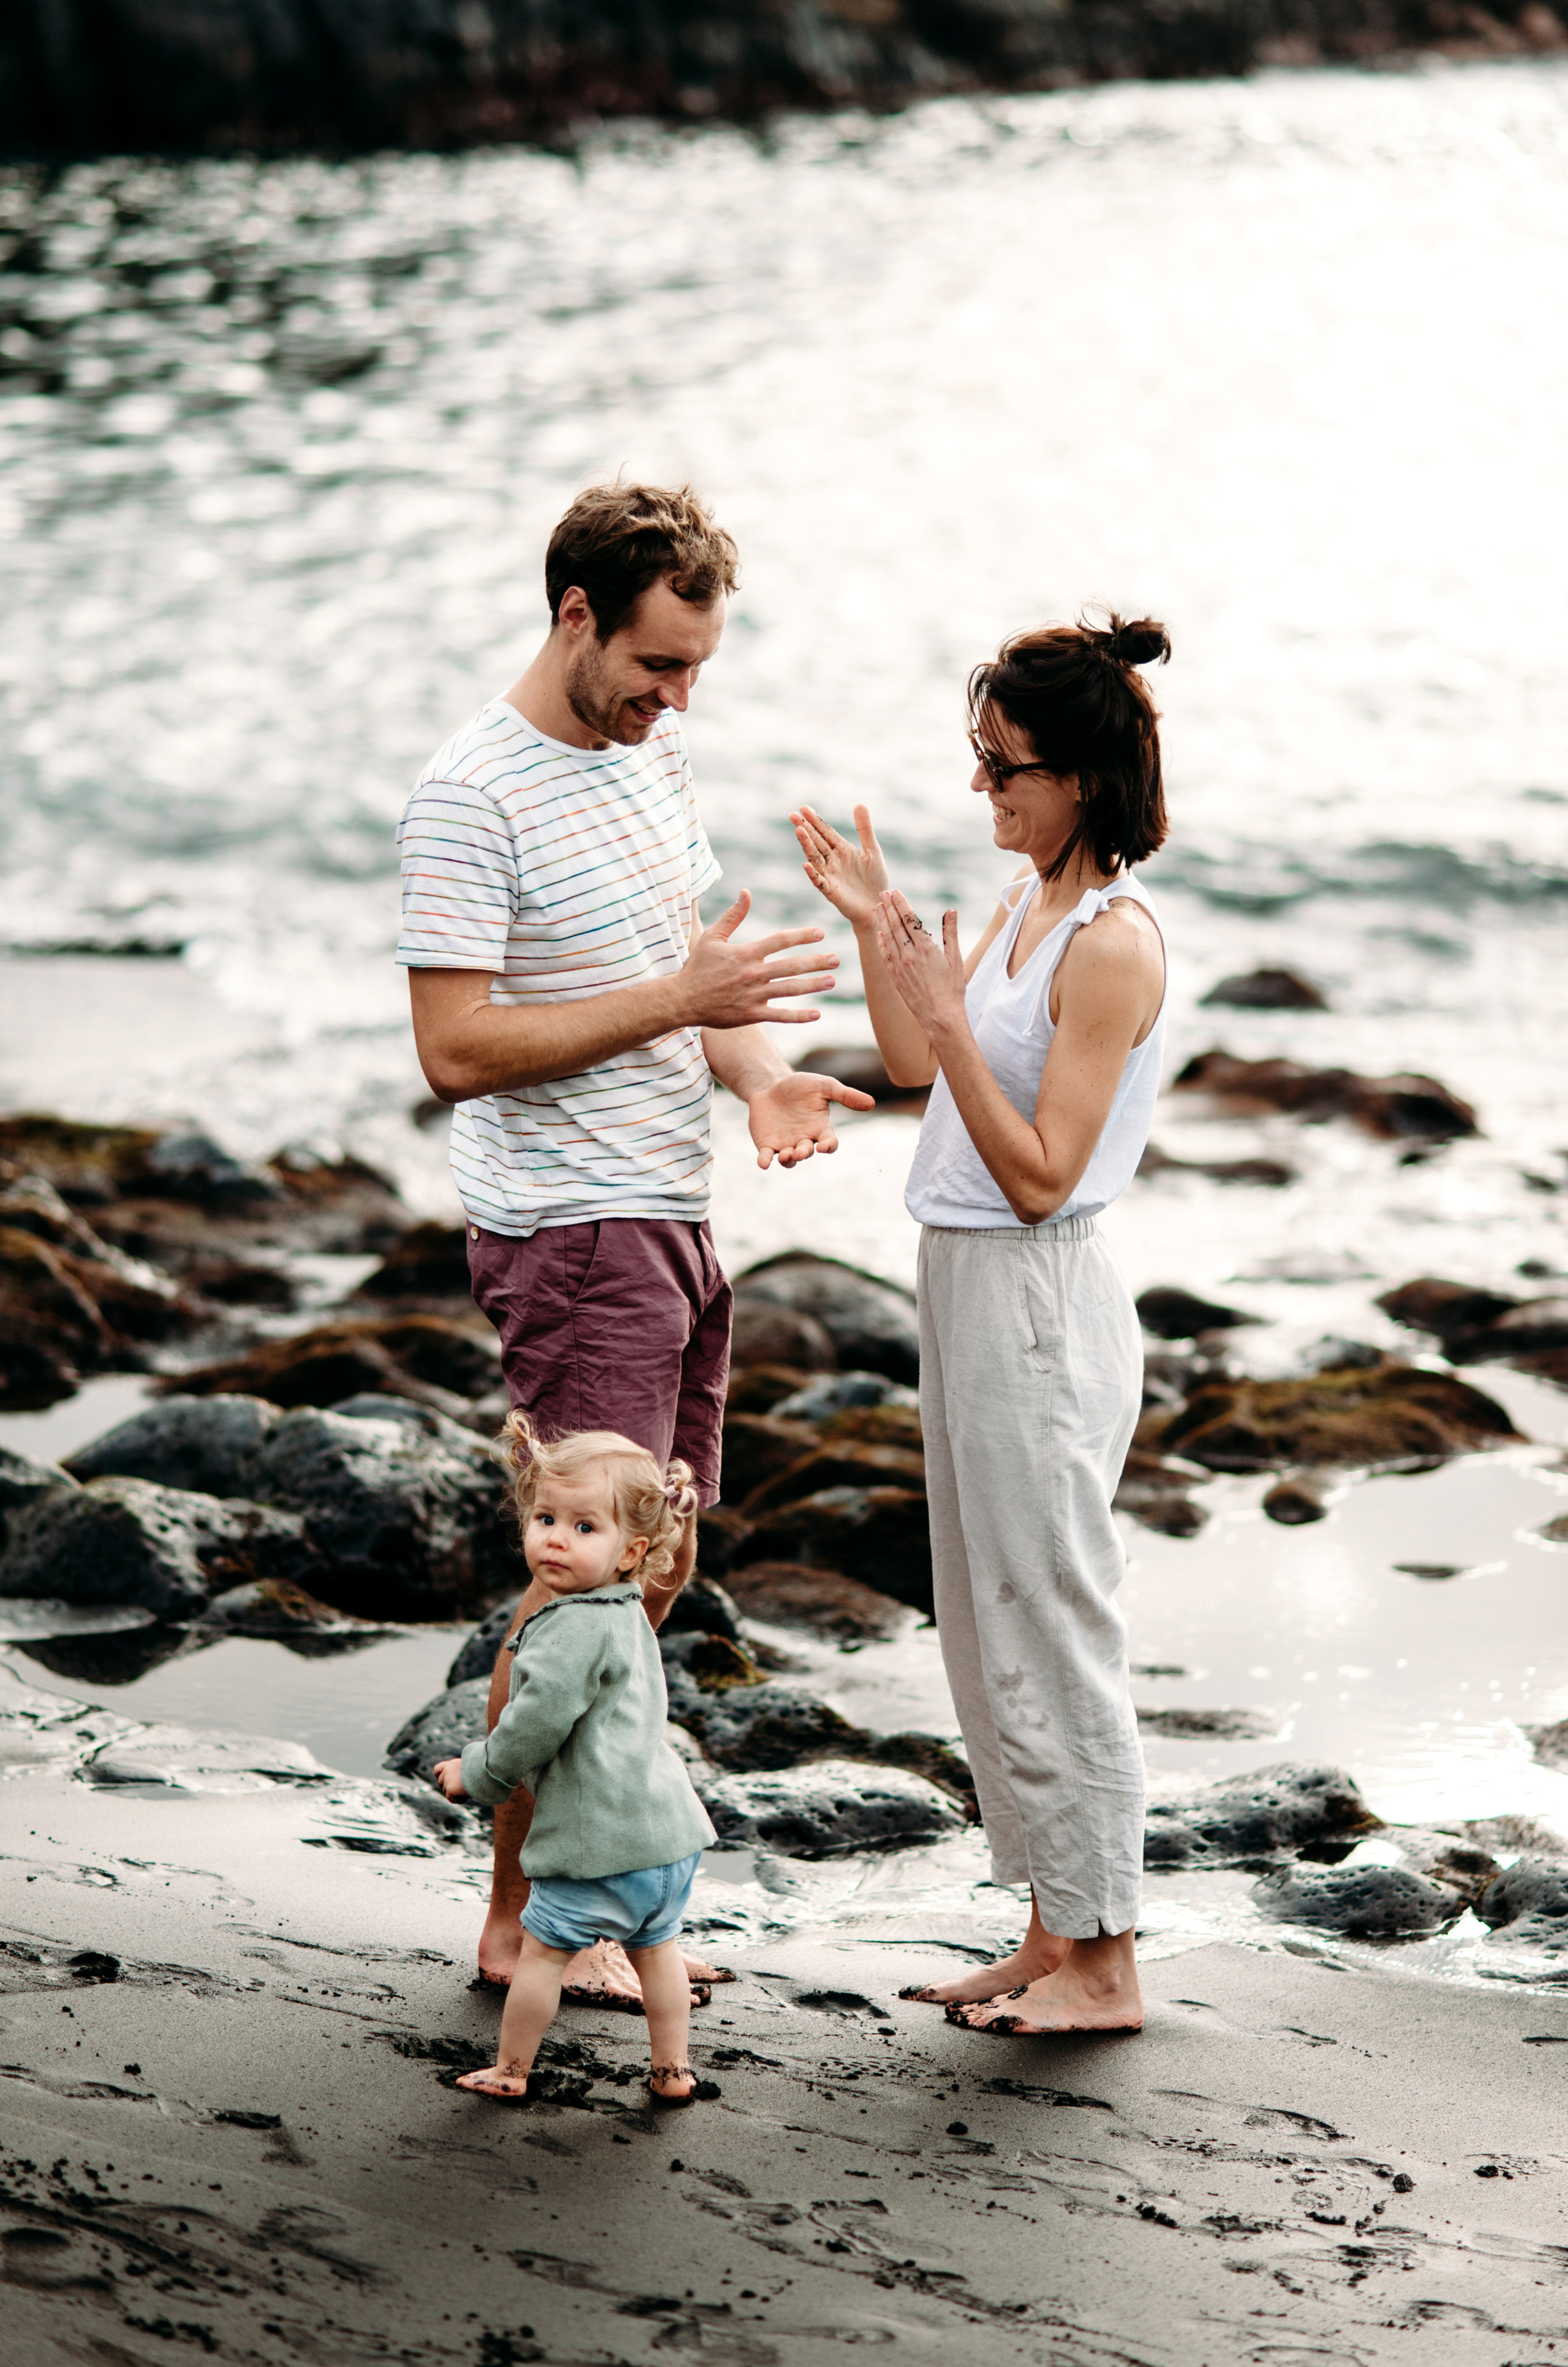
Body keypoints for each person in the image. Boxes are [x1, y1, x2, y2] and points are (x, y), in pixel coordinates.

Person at [399, 480, 873, 2009]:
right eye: (655, 665)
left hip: (665, 1210)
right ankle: (521, 1924)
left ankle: (573, 1898)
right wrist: (681, 1003)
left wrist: (756, 1079)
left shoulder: (648, 752)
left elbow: (688, 984)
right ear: (573, 615)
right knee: (583, 1593)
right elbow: (456, 1050)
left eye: (697, 671)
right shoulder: (469, 796)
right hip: (569, 1231)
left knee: (647, 1578)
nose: (674, 699)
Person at [791, 611, 1171, 2037]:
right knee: (984, 1615)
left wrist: (946, 1019)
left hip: (1038, 1293)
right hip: (957, 1279)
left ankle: (1109, 1965)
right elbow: (910, 1066)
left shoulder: (1111, 947)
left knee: (1054, 1621)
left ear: (1077, 778)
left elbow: (1038, 1177)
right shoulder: (1019, 906)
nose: (981, 790)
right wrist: (878, 928)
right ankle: (1047, 1927)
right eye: (977, 760)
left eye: (1002, 767)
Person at [436, 1416, 714, 2105]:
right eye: (545, 1517)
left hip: (601, 1845)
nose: (556, 1537)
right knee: (659, 1955)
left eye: (585, 1527)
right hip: (669, 1838)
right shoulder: (628, 1614)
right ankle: (672, 2070)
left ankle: (510, 2068)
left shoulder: (568, 1630)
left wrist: (476, 1772)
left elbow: (532, 1727)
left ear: (631, 1550)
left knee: (542, 1956)